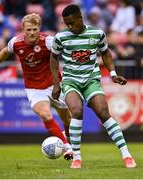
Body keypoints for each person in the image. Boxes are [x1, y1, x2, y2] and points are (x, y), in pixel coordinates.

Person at [50, 4, 137, 169]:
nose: (69, 26)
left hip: (91, 80)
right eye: (66, 23)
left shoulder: (97, 33)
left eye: (71, 22)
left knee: (104, 113)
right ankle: (77, 158)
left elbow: (105, 53)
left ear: (80, 18)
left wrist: (113, 74)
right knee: (76, 111)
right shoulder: (61, 37)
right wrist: (56, 84)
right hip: (71, 80)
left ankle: (126, 155)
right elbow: (53, 59)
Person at [0, 13, 73, 160]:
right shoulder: (16, 43)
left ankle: (66, 137)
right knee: (45, 114)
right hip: (34, 88)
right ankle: (66, 146)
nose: (32, 33)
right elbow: (5, 51)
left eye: (35, 29)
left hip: (54, 85)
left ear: (39, 28)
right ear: (23, 29)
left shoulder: (48, 41)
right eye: (29, 29)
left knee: (67, 119)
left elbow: (66, 50)